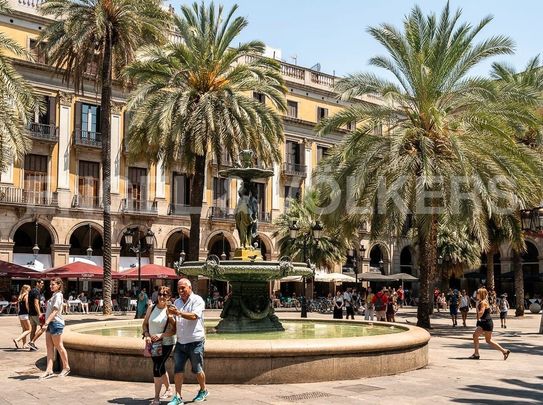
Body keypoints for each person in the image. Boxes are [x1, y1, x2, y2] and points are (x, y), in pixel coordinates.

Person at [167, 278, 208, 404]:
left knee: (197, 369)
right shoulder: (177, 302)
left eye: (183, 288)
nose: (180, 290)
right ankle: (178, 396)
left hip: (195, 341)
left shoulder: (197, 300)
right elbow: (176, 324)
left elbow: (194, 316)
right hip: (180, 341)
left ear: (190, 287)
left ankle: (203, 389)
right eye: (179, 288)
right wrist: (170, 318)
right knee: (178, 369)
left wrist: (178, 313)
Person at [143, 286, 176, 405]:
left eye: (165, 295)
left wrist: (161, 335)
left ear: (169, 297)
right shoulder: (151, 308)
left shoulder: (170, 310)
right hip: (153, 343)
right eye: (160, 294)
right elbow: (145, 324)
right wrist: (147, 335)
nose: (162, 296)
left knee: (157, 367)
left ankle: (156, 398)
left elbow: (174, 330)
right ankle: (168, 389)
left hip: (166, 342)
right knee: (160, 367)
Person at [39, 278, 70, 379]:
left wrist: (46, 322)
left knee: (59, 346)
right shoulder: (54, 295)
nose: (50, 286)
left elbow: (55, 311)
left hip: (55, 323)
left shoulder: (58, 295)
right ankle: (49, 370)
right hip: (50, 323)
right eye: (50, 284)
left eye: (53, 284)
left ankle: (66, 367)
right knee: (49, 347)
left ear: (59, 285)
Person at [469, 288, 510, 361]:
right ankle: (476, 354)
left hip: (487, 323)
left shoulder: (483, 302)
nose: (476, 294)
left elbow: (481, 312)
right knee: (475, 335)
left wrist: (478, 313)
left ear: (481, 294)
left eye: (478, 293)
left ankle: (504, 351)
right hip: (484, 322)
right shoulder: (483, 301)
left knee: (488, 340)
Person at [13, 285, 31, 349]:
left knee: (24, 329)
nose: (30, 290)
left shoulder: (20, 296)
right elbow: (27, 305)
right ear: (26, 289)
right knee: (29, 329)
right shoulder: (26, 295)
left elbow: (18, 306)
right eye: (29, 288)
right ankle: (17, 339)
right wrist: (30, 312)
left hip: (20, 314)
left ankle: (24, 345)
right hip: (25, 314)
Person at [27, 280, 44, 349]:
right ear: (37, 283)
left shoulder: (31, 291)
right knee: (43, 327)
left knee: (33, 329)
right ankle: (32, 342)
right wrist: (39, 313)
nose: (42, 285)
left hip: (31, 313)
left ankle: (31, 346)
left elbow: (28, 303)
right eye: (41, 283)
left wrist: (29, 311)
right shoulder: (36, 291)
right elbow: (36, 303)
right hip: (35, 313)